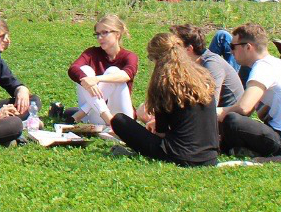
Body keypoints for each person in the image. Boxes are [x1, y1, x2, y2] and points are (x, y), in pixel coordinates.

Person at [92, 32, 219, 167]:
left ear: (157, 58)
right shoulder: (201, 77)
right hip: (209, 157)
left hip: (179, 155)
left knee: (119, 121)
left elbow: (161, 133)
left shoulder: (164, 83)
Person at [219, 22, 281, 157]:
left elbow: (244, 108)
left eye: (233, 47)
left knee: (232, 120)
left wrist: (214, 112)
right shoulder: (274, 64)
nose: (231, 51)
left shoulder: (263, 67)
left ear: (248, 47)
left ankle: (220, 149)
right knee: (233, 120)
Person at [66, 13, 137, 124]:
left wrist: (97, 79)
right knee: (85, 71)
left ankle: (82, 112)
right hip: (97, 115)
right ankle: (106, 118)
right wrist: (87, 80)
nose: (99, 38)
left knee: (113, 72)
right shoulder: (92, 53)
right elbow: (73, 69)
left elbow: (127, 74)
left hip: (121, 116)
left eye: (104, 33)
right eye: (97, 34)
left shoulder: (129, 56)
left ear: (117, 34)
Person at [169, 24, 243, 107]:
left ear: (189, 49)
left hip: (228, 114)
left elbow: (211, 103)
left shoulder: (212, 65)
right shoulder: (191, 63)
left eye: (175, 47)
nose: (171, 50)